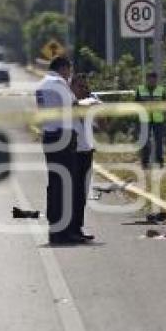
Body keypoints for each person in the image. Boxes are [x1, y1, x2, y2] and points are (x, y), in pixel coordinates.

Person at [35, 56, 87, 245]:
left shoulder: (41, 84)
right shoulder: (58, 82)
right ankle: (65, 231)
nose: (70, 74)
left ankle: (55, 229)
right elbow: (73, 105)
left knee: (55, 183)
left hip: (49, 135)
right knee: (67, 184)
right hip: (63, 137)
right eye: (69, 70)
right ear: (63, 68)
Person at [70, 74, 100, 241]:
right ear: (72, 87)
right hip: (73, 153)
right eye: (80, 86)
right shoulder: (70, 103)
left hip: (87, 151)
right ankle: (71, 228)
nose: (83, 90)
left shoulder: (89, 106)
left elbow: (103, 126)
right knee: (73, 193)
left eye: (85, 87)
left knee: (82, 193)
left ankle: (78, 227)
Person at [135, 71, 166, 168]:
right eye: (150, 79)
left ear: (156, 80)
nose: (152, 81)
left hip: (158, 119)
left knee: (159, 141)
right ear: (147, 80)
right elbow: (136, 103)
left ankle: (160, 161)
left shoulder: (161, 90)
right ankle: (145, 162)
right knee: (145, 141)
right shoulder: (140, 89)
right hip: (145, 118)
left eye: (154, 80)